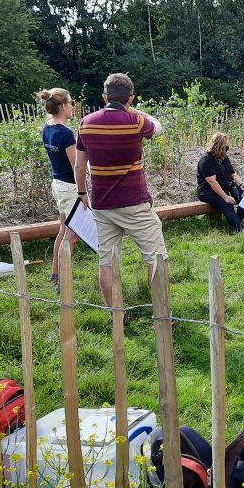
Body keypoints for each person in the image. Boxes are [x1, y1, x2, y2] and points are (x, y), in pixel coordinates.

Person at [75, 73, 167, 319]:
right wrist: (134, 109)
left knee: (107, 261)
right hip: (134, 202)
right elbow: (157, 126)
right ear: (131, 98)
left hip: (103, 204)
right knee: (156, 258)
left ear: (104, 97)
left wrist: (82, 192)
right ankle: (162, 314)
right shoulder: (135, 121)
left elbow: (80, 165)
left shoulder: (86, 122)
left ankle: (116, 314)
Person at [39, 87, 79, 290]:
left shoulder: (47, 128)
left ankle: (55, 272)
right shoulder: (65, 134)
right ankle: (63, 281)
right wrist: (85, 191)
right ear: (63, 106)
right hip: (70, 187)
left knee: (63, 229)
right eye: (71, 103)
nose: (73, 106)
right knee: (72, 236)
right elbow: (76, 166)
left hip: (58, 184)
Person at [197, 133, 244, 232]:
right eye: (224, 145)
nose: (226, 148)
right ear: (217, 145)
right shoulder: (206, 160)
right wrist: (226, 197)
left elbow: (233, 173)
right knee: (227, 205)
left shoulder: (222, 156)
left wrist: (241, 184)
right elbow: (212, 182)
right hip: (208, 191)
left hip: (225, 186)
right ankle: (239, 230)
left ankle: (237, 222)